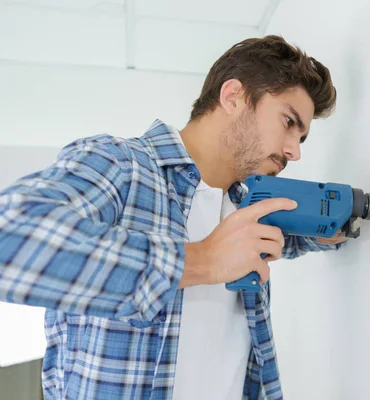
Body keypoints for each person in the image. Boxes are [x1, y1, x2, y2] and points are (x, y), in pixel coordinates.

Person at [0, 35, 347, 399]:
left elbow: (288, 234)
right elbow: (10, 236)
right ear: (233, 97)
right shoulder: (122, 166)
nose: (293, 151)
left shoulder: (248, 208)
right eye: (289, 122)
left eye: (302, 137)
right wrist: (202, 260)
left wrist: (337, 222)